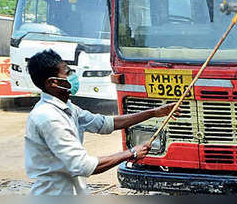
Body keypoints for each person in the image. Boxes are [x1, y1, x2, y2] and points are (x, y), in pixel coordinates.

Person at [24, 49, 178, 195]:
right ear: (52, 83)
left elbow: (104, 123)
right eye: (68, 73)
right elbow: (83, 166)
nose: (73, 76)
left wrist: (155, 112)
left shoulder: (67, 107)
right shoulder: (49, 118)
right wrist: (131, 153)